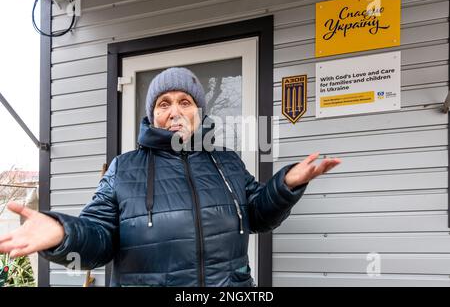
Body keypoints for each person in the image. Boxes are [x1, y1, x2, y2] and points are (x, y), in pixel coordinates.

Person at [0, 67, 341, 287]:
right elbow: (98, 238)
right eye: (163, 103)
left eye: (184, 101)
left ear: (198, 112)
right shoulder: (125, 168)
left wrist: (285, 185)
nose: (175, 111)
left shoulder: (227, 163)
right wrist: (64, 232)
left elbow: (256, 214)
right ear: (153, 115)